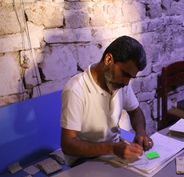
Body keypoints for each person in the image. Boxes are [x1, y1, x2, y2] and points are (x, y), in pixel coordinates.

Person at [60, 36, 153, 166]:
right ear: (108, 59)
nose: (126, 83)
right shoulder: (76, 90)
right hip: (84, 161)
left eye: (131, 78)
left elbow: (135, 112)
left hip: (113, 154)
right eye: (125, 74)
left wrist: (141, 132)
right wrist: (112, 149)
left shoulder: (120, 84)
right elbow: (68, 144)